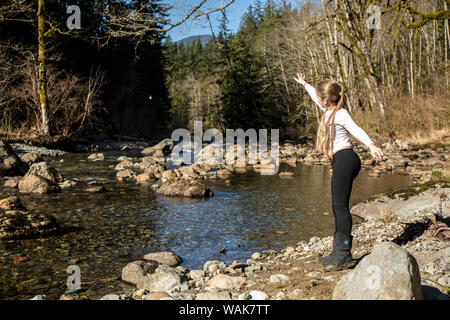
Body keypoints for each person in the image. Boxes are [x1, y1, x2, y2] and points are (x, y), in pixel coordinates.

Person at [294, 73, 384, 271]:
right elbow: (314, 96)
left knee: (340, 206)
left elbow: (356, 129)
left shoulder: (340, 114)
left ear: (326, 100)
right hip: (340, 160)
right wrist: (306, 85)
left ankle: (343, 254)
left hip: (345, 159)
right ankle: (338, 252)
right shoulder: (328, 110)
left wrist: (371, 145)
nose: (317, 100)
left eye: (319, 97)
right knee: (337, 206)